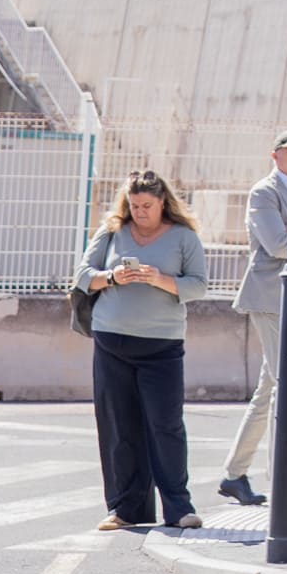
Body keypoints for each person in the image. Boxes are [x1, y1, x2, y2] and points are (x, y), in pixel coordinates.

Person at [85, 171, 212, 534]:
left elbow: (199, 285)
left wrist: (159, 279)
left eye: (147, 206)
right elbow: (82, 275)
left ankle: (179, 507)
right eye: (134, 205)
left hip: (162, 346)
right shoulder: (111, 231)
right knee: (119, 428)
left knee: (165, 425)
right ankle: (125, 508)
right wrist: (111, 277)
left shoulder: (183, 237)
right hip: (111, 341)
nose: (139, 212)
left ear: (163, 203)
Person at [223, 134, 287, 508]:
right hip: (270, 296)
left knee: (270, 388)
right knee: (286, 385)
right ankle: (284, 481)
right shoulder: (264, 192)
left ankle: (234, 474)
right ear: (276, 155)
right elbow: (278, 244)